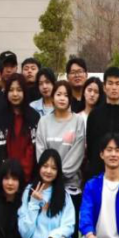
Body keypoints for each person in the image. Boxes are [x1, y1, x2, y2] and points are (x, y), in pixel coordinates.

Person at [34, 81, 87, 213]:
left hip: (70, 186)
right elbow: (40, 151)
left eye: (66, 95)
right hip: (47, 185)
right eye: (58, 94)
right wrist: (48, 172)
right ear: (52, 97)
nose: (62, 98)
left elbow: (77, 154)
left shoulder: (78, 121)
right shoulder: (44, 121)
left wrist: (56, 174)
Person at [86, 67, 119, 178]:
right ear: (104, 87)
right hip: (98, 175)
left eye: (117, 83)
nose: (114, 88)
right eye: (110, 83)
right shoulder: (94, 115)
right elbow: (91, 148)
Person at [0, 74, 40, 186]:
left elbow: (34, 150)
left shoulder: (34, 117)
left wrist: (22, 174)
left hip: (28, 179)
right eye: (11, 90)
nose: (15, 94)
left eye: (19, 90)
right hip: (3, 180)